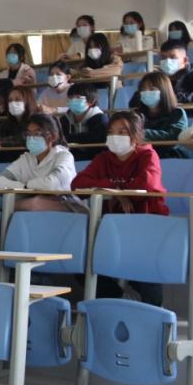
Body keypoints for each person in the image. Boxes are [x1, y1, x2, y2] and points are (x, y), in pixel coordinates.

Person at [71, 111, 168, 305]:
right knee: (79, 257)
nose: (115, 136)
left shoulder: (148, 155)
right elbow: (78, 185)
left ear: (135, 135)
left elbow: (147, 184)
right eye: (111, 132)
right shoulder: (103, 158)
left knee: (146, 268)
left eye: (122, 132)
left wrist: (116, 189)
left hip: (146, 225)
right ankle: (118, 298)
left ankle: (153, 312)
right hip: (111, 226)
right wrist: (115, 190)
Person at [0, 114, 79, 211]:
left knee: (30, 204)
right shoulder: (26, 158)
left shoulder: (64, 156)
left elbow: (51, 184)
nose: (31, 138)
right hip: (34, 204)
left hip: (67, 207)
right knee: (15, 204)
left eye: (37, 134)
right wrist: (24, 186)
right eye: (29, 134)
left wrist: (26, 186)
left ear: (52, 137)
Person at [130, 71, 188, 145]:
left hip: (170, 151)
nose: (146, 92)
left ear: (164, 91)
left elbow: (174, 136)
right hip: (143, 151)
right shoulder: (137, 114)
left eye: (152, 89)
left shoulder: (178, 113)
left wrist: (142, 133)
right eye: (143, 89)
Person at [59, 83, 109, 161]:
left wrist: (70, 138)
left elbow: (95, 140)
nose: (73, 101)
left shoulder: (101, 120)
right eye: (71, 97)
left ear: (91, 101)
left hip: (95, 160)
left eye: (78, 98)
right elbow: (60, 139)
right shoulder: (65, 119)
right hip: (70, 159)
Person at [159, 40, 193, 113]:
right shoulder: (159, 78)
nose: (167, 61)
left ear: (185, 60)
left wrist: (175, 97)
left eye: (173, 57)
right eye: (163, 58)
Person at [0, 85, 37, 150]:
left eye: (18, 99)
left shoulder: (36, 120)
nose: (13, 103)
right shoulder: (9, 122)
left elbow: (24, 139)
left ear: (28, 101)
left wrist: (1, 142)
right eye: (10, 100)